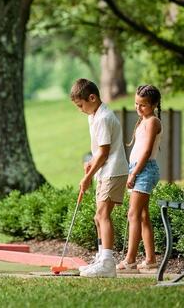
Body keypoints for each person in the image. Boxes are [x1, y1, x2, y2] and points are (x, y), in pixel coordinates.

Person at [70, 78, 128, 278]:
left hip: (113, 170)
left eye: (81, 105)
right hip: (105, 171)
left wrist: (87, 177)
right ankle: (101, 258)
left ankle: (108, 264)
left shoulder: (103, 117)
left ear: (92, 98)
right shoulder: (93, 115)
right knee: (98, 217)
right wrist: (90, 162)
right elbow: (99, 151)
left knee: (103, 215)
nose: (80, 109)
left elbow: (104, 154)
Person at [117, 85, 162, 273]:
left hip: (144, 170)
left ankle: (130, 260)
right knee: (142, 216)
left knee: (133, 214)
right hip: (136, 169)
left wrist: (134, 173)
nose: (138, 108)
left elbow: (146, 150)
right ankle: (150, 259)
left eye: (143, 105)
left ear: (154, 105)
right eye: (136, 103)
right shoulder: (143, 120)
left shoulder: (153, 121)